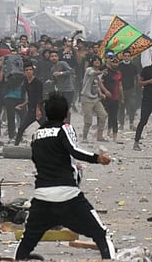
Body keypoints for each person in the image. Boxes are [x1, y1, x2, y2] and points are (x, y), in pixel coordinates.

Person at [14, 93, 115, 260]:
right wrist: (97, 158)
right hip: (69, 197)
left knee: (27, 241)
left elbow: (37, 159)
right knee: (101, 235)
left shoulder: (36, 134)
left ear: (46, 113)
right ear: (66, 113)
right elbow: (74, 150)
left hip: (42, 198)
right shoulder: (65, 128)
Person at [79, 56, 110, 142]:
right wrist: (102, 72)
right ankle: (84, 137)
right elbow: (93, 74)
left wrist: (101, 93)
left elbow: (97, 85)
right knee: (88, 120)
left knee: (103, 115)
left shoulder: (99, 73)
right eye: (95, 60)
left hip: (95, 98)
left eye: (98, 60)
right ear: (92, 62)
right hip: (86, 98)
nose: (97, 62)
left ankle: (99, 136)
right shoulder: (89, 69)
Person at [13, 63, 44, 146]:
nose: (29, 71)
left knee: (46, 128)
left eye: (30, 70)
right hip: (30, 110)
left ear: (33, 71)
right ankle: (16, 145)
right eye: (27, 70)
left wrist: (38, 110)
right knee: (21, 128)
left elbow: (39, 98)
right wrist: (23, 105)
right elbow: (30, 98)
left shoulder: (38, 82)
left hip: (39, 109)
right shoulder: (26, 82)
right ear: (24, 72)